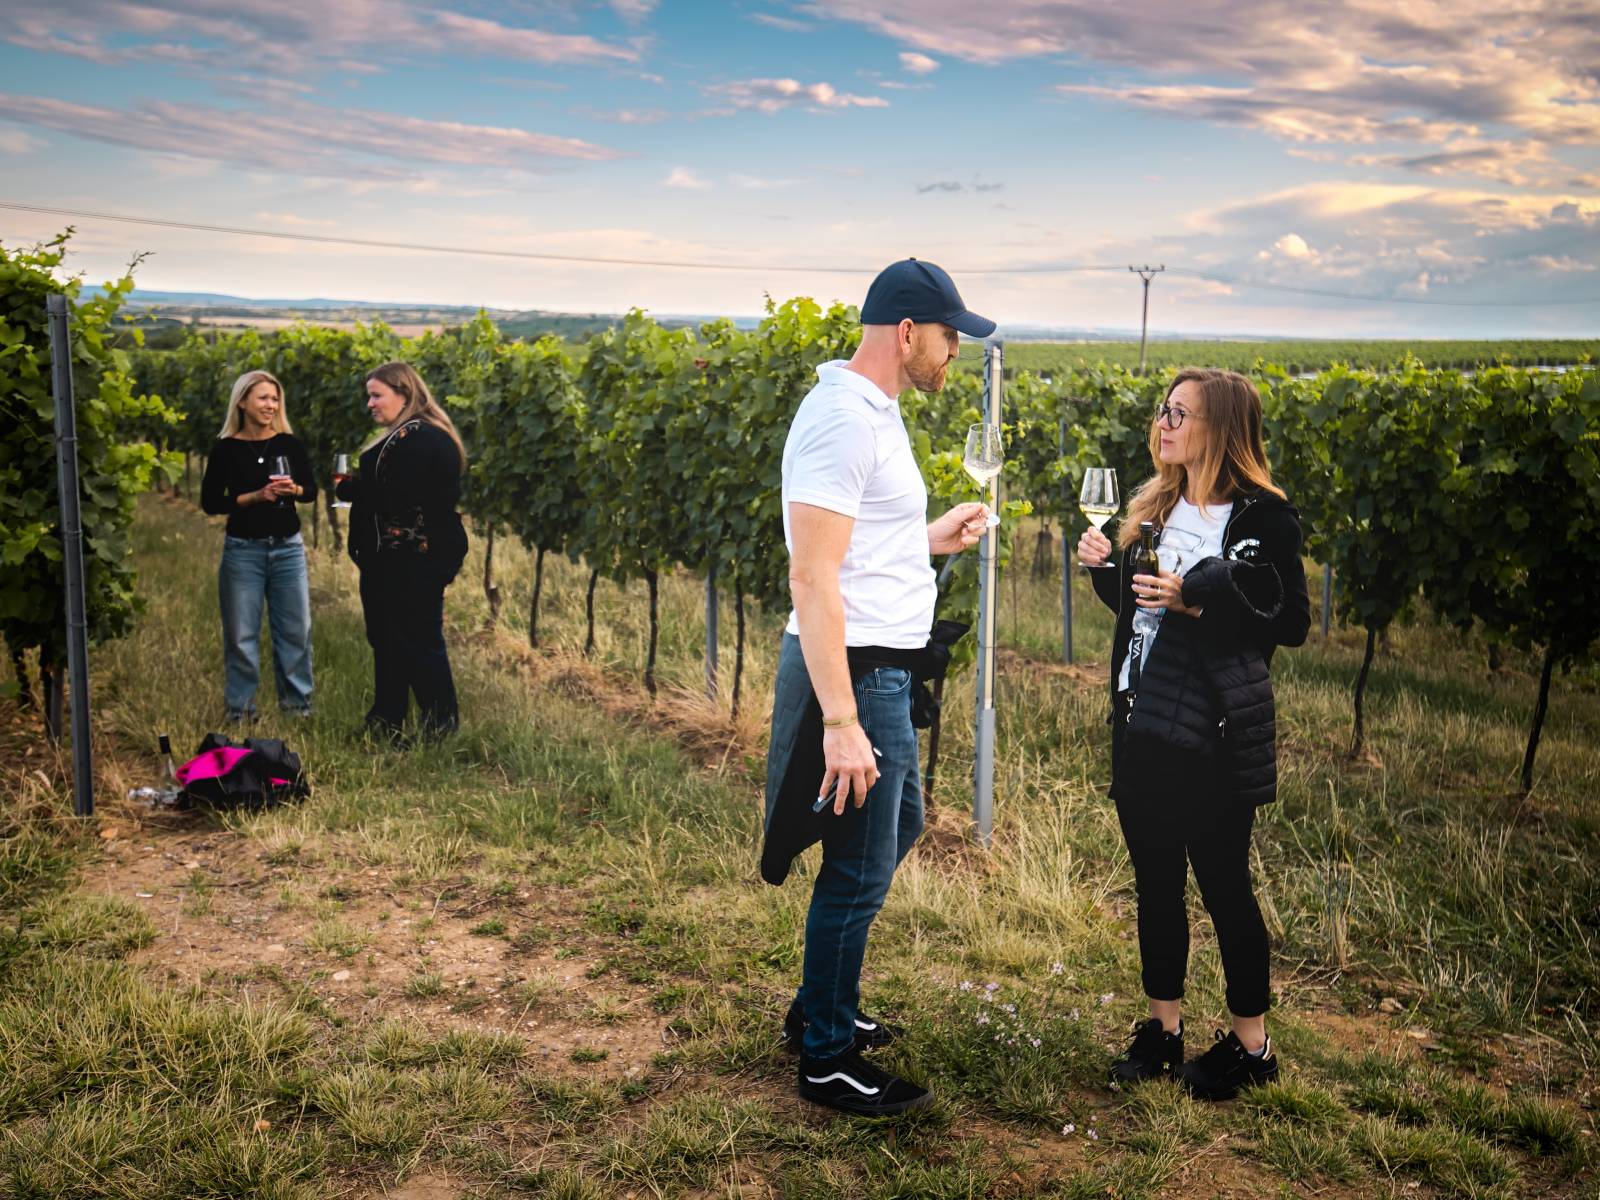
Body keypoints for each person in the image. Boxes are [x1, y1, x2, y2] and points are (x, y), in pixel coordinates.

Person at [762, 259, 993, 1116]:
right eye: (948, 336)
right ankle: (825, 1057)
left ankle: (819, 1006)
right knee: (858, 867)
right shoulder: (841, 420)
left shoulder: (874, 411)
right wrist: (842, 720)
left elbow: (854, 545)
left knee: (898, 827)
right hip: (858, 672)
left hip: (883, 665)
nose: (954, 352)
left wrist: (926, 538)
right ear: (906, 333)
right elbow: (812, 575)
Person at [1078, 367, 1310, 1101]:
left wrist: (1198, 600)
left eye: (1181, 413)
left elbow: (1291, 622)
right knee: (1155, 884)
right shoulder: (1158, 504)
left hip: (1213, 731)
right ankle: (1163, 1030)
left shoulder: (1263, 519)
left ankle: (1252, 1047)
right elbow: (1139, 608)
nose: (1164, 423)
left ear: (1222, 428)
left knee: (1223, 885)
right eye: (1164, 409)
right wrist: (1105, 572)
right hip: (1141, 721)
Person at [335, 361, 468, 741]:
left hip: (411, 558)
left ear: (404, 393)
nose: (370, 404)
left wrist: (350, 489)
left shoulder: (417, 438)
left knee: (417, 641)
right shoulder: (414, 434)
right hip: (399, 557)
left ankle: (439, 727)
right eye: (369, 396)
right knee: (391, 638)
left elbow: (399, 498)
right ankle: (386, 721)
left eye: (377, 395)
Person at [200, 369, 316, 722]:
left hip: (288, 550)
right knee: (241, 636)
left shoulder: (290, 444)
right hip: (243, 551)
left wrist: (294, 490)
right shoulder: (225, 449)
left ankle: (298, 709)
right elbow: (210, 502)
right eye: (263, 397)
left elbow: (310, 492)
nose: (271, 405)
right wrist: (254, 497)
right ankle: (241, 712)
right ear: (242, 402)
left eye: (275, 399)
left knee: (296, 632)